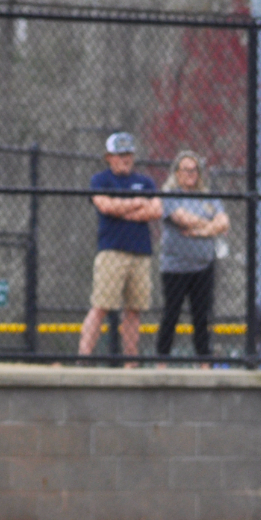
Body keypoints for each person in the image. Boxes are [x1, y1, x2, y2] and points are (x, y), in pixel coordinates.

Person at [77, 132, 162, 362]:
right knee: (101, 306)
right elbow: (105, 206)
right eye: (120, 155)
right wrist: (136, 202)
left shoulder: (146, 182)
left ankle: (131, 361)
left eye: (128, 154)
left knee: (134, 310)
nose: (125, 159)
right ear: (109, 157)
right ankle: (83, 358)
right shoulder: (100, 180)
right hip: (112, 251)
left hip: (140, 252)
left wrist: (121, 207)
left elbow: (155, 210)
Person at [156, 150, 227, 361]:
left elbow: (224, 222)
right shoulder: (169, 194)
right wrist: (210, 225)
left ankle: (204, 361)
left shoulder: (208, 196)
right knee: (171, 314)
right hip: (175, 268)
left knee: (202, 316)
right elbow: (182, 218)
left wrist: (202, 231)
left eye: (194, 169)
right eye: (185, 169)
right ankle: (162, 360)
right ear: (177, 172)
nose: (190, 173)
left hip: (203, 267)